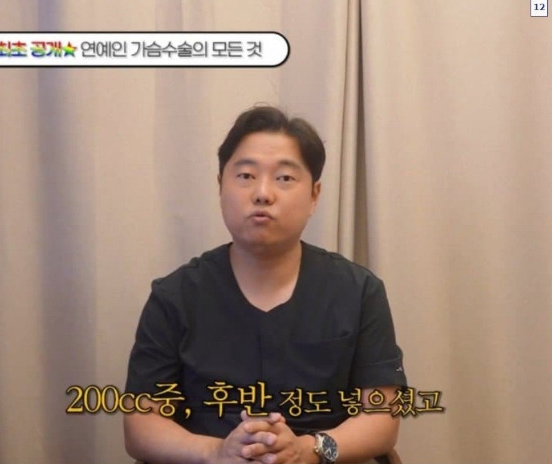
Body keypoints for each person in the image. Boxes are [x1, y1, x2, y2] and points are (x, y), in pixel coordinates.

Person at [124, 105, 407, 464]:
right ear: (220, 186)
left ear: (314, 195)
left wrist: (309, 449)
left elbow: (382, 419)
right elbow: (141, 425)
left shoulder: (359, 291)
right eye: (245, 175)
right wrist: (217, 452)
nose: (262, 193)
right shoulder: (174, 297)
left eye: (284, 178)